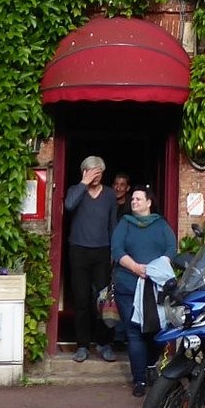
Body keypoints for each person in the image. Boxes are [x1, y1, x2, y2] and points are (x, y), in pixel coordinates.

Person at [110, 186, 177, 396]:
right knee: (134, 331)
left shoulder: (161, 224)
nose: (134, 202)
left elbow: (171, 248)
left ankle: (150, 366)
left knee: (159, 329)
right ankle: (139, 380)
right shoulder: (125, 224)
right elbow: (117, 249)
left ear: (149, 202)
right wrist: (135, 268)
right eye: (133, 200)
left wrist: (156, 268)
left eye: (139, 199)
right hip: (128, 283)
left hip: (155, 285)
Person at [63, 155, 117, 362]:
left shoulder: (110, 194)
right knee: (81, 299)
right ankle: (82, 345)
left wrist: (114, 251)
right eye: (92, 171)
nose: (96, 176)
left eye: (99, 172)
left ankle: (104, 344)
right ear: (84, 172)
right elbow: (68, 206)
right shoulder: (75, 191)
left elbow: (113, 223)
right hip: (78, 250)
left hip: (102, 251)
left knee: (104, 300)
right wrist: (83, 184)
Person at [108, 172, 133, 351]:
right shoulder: (107, 203)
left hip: (125, 257)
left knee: (122, 295)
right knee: (105, 295)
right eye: (116, 184)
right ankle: (105, 334)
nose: (118, 187)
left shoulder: (131, 208)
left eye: (122, 184)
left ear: (128, 188)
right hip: (105, 252)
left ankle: (120, 334)